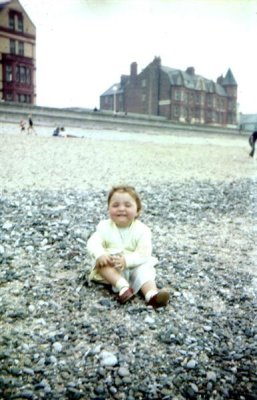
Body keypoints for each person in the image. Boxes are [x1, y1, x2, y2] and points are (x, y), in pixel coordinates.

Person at [87, 185, 170, 308]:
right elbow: (93, 242)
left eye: (127, 205)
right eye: (115, 205)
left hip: (134, 265)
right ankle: (123, 287)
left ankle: (152, 295)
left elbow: (144, 253)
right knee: (102, 265)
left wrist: (127, 260)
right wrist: (100, 254)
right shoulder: (104, 227)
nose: (121, 209)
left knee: (144, 272)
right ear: (108, 209)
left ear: (137, 211)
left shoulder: (142, 230)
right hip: (113, 265)